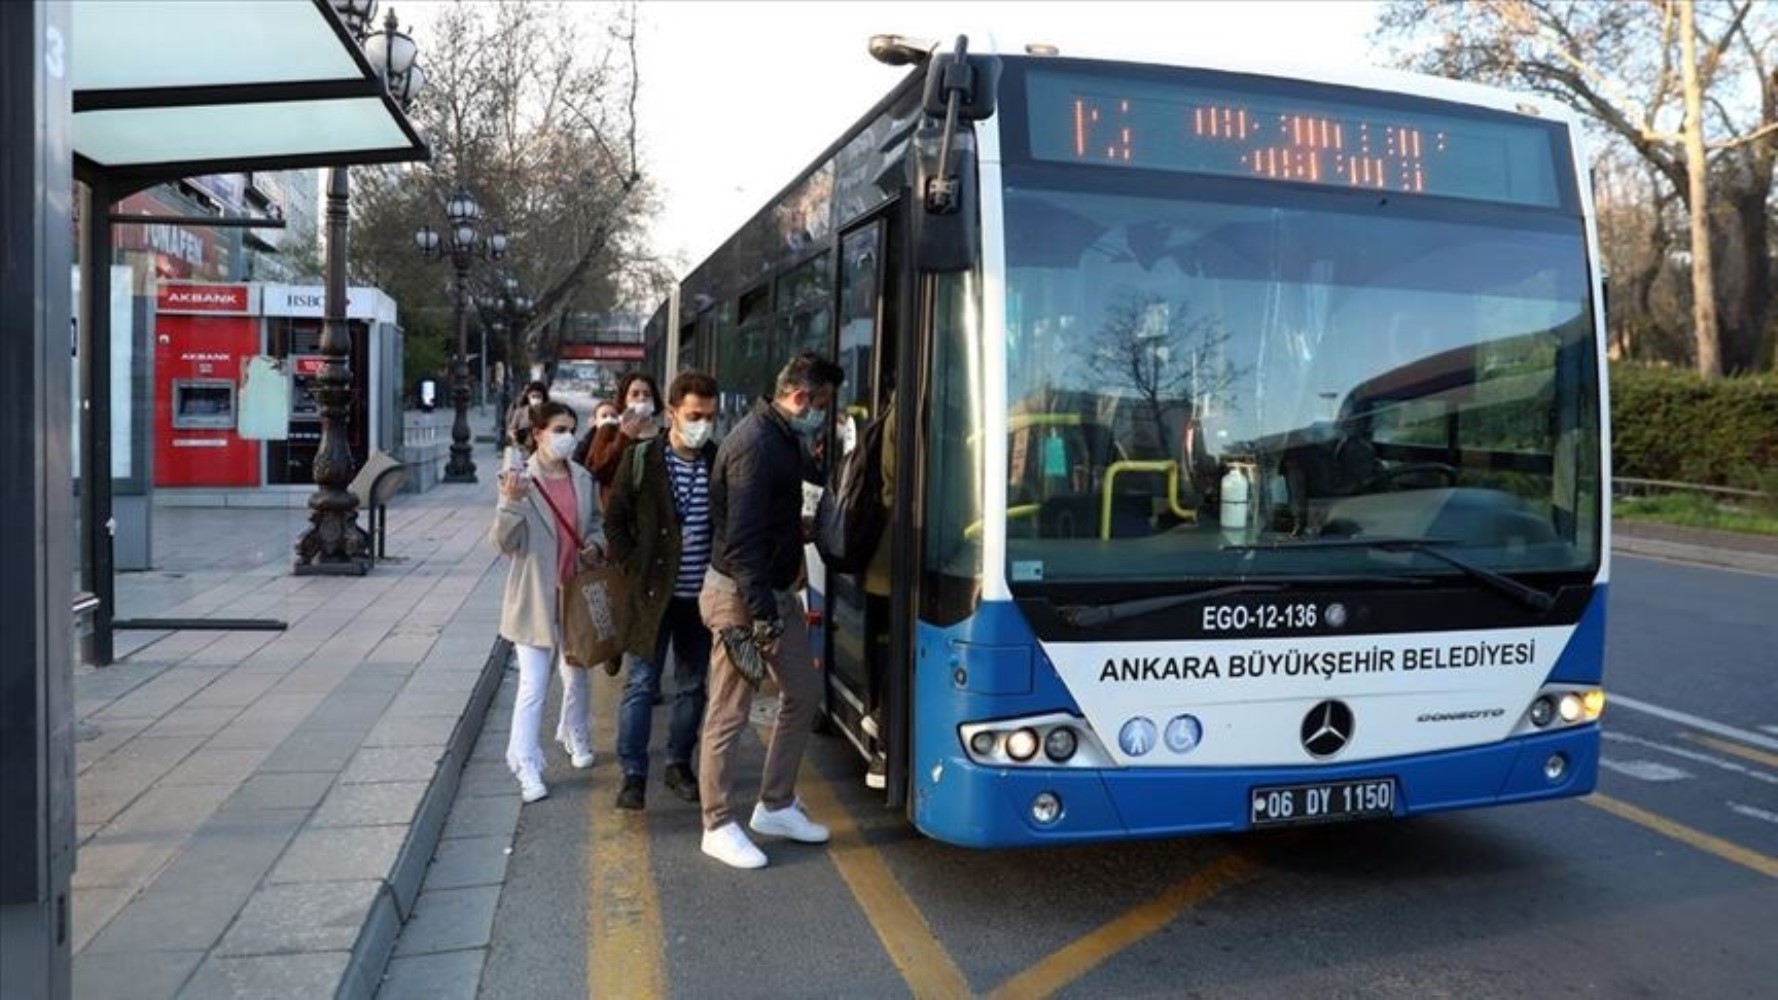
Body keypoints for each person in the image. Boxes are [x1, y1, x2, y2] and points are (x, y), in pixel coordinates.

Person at [697, 352, 846, 869]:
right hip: (742, 600)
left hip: (771, 593)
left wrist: (795, 534)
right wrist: (761, 615)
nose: (823, 415)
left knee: (802, 694)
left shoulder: (780, 436)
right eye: (822, 405)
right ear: (801, 398)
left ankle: (775, 804)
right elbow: (740, 544)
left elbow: (766, 523)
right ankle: (715, 823)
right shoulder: (756, 446)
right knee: (730, 712)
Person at [606, 371, 720, 811]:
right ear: (672, 412)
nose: (703, 424)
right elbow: (615, 521)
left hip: (700, 597)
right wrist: (635, 564)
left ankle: (678, 764)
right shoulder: (640, 459)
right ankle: (633, 774)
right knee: (641, 683)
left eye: (709, 416)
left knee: (692, 687)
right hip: (651, 594)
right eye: (695, 415)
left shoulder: (718, 460)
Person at [490, 399, 608, 803]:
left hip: (574, 592)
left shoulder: (582, 477)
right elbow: (504, 544)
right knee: (534, 685)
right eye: (558, 429)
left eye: (571, 429)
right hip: (535, 598)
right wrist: (509, 502)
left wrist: (595, 545)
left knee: (576, 673)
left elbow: (595, 524)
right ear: (537, 434)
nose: (567, 437)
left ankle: (574, 731)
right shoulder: (519, 479)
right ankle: (525, 763)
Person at [860, 391, 897, 790]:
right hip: (895, 558)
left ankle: (881, 715)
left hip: (888, 560)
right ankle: (884, 740)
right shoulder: (911, 409)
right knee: (901, 648)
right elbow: (897, 486)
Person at [583, 372, 663, 508]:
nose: (642, 398)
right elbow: (597, 470)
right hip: (618, 513)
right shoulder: (609, 431)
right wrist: (623, 439)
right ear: (624, 400)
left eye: (647, 394)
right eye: (635, 394)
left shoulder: (664, 435)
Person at [572, 399, 622, 467]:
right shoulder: (585, 443)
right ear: (595, 421)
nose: (609, 419)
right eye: (604, 416)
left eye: (613, 416)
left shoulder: (622, 441)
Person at [506, 380, 549, 450]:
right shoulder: (520, 412)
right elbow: (511, 429)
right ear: (528, 396)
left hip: (541, 449)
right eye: (533, 396)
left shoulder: (548, 413)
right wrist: (516, 436)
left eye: (539, 396)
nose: (536, 399)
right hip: (523, 449)